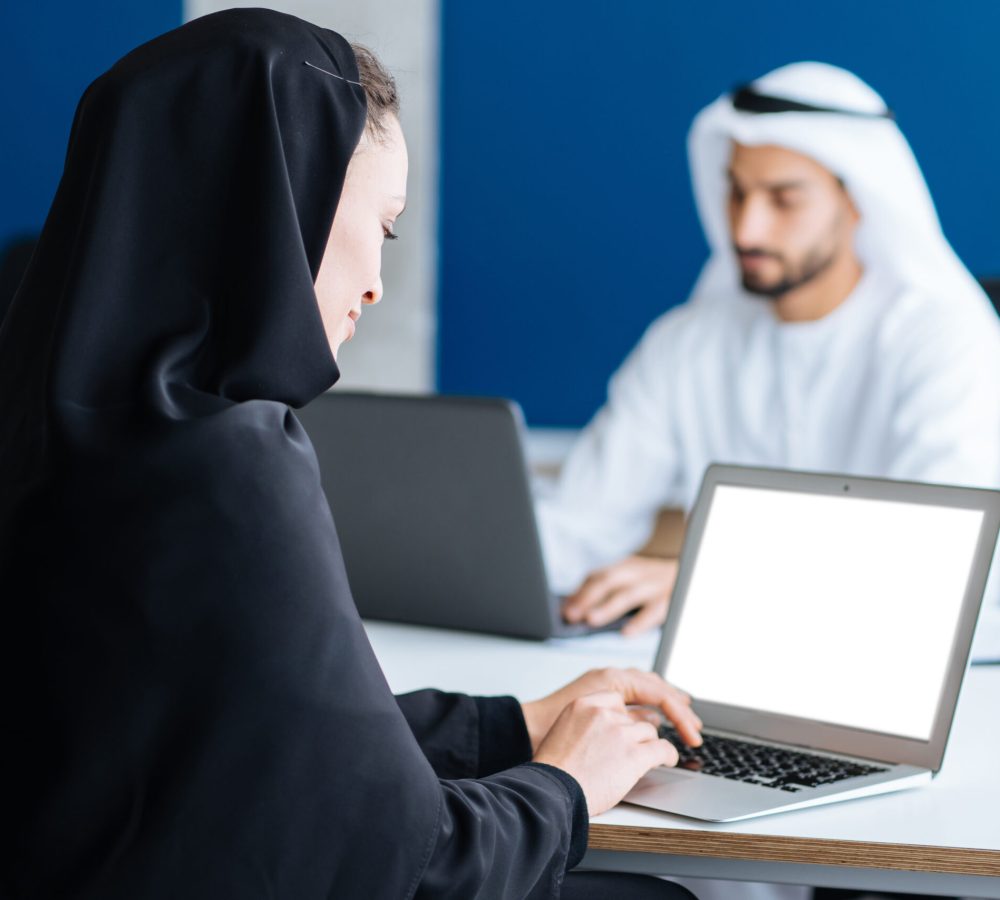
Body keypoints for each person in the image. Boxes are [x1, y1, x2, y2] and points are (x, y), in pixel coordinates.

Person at [0, 10, 704, 899]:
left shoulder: (54, 428)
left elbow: (254, 745)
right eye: (383, 224)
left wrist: (515, 728)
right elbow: (410, 868)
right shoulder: (225, 467)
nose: (375, 280)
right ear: (270, 212)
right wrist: (569, 786)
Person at [540, 62, 1000, 642]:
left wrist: (707, 584)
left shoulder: (945, 339)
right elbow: (580, 522)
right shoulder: (689, 343)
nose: (747, 230)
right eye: (736, 193)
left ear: (858, 201)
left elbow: (935, 561)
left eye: (784, 200)